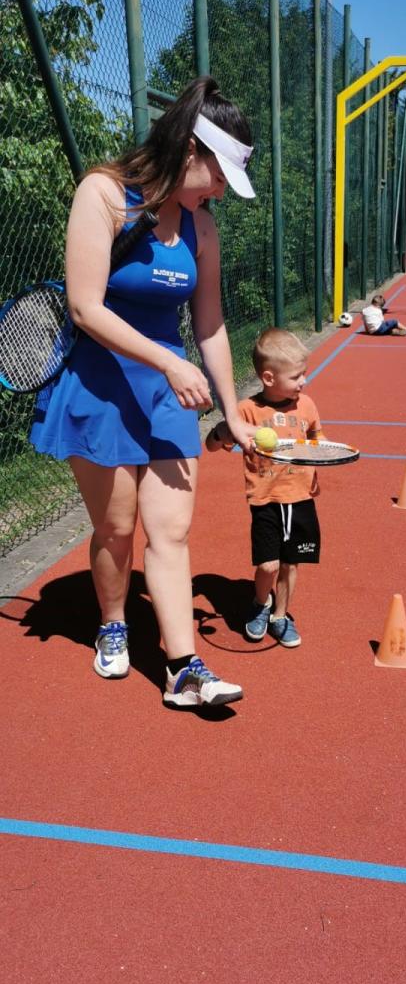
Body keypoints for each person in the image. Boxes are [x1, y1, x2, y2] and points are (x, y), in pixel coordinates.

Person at [30, 76, 256, 709]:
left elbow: (209, 325)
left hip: (167, 396)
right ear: (190, 150)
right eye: (218, 176)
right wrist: (166, 361)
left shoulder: (202, 228)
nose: (219, 191)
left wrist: (232, 408)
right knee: (117, 529)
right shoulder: (103, 193)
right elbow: (85, 307)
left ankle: (184, 669)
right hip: (101, 386)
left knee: (171, 532)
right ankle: (112, 622)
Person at [205, 328, 322, 649]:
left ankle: (281, 616)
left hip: (300, 497)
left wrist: (322, 456)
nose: (303, 381)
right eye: (296, 376)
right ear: (269, 378)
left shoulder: (306, 405)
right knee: (268, 565)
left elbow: (317, 438)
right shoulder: (246, 410)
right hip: (265, 500)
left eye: (304, 373)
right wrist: (221, 431)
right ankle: (261, 603)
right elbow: (212, 446)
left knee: (291, 562)